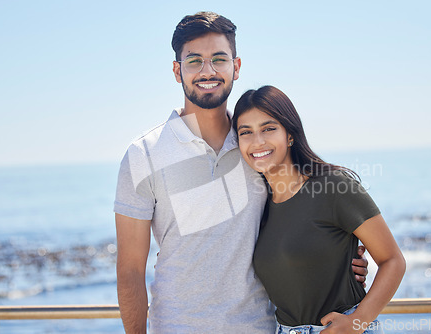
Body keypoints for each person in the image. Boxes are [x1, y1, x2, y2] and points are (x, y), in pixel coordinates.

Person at [114, 12, 369, 333]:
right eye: (194, 61)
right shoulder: (144, 153)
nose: (208, 71)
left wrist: (343, 259)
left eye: (219, 59)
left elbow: (304, 212)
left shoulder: (257, 147)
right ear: (177, 71)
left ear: (236, 67)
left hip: (260, 328)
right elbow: (130, 271)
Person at [232, 85, 406, 334]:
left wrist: (357, 322)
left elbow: (393, 260)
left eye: (269, 128)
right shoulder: (259, 205)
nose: (257, 141)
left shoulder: (334, 186)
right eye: (246, 132)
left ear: (289, 134)